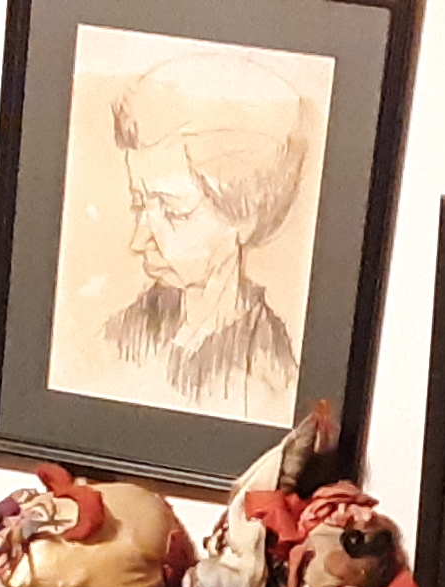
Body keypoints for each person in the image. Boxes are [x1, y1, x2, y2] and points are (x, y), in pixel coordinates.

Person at [98, 52, 307, 422]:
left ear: (245, 217)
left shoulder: (269, 375)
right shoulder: (120, 335)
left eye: (173, 210)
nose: (139, 240)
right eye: (139, 203)